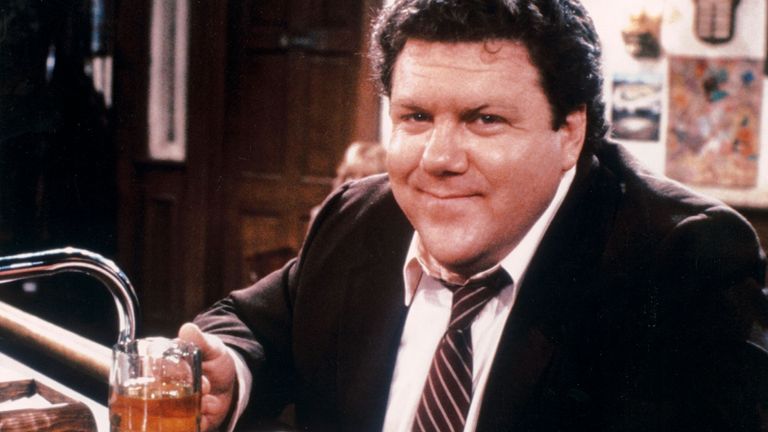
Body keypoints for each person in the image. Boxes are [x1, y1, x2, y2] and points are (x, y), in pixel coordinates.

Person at [180, 0, 768, 431]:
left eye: (485, 120)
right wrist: (231, 371)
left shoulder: (679, 261)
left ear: (569, 132)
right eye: (415, 117)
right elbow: (250, 324)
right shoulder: (362, 217)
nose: (439, 159)